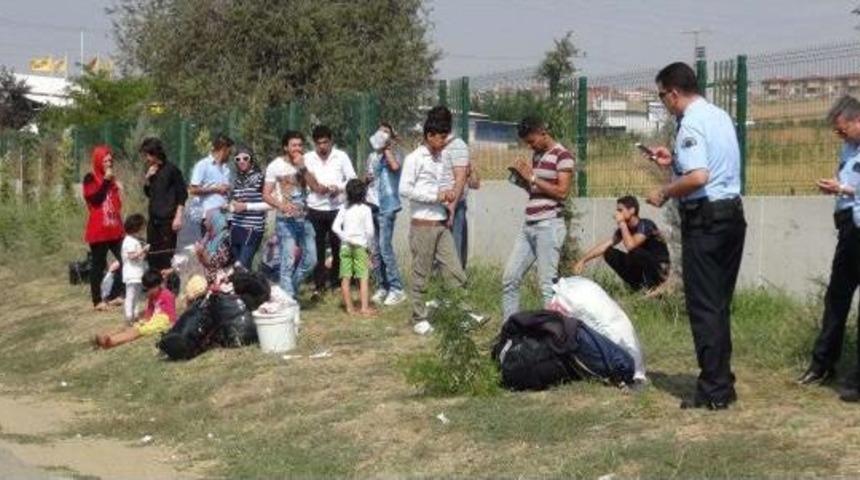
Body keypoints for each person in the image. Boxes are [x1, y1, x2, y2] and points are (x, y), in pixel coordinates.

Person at [642, 62, 746, 410]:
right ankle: (722, 383)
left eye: (662, 96)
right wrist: (673, 161)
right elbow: (710, 166)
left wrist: (665, 191)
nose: (664, 103)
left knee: (704, 307)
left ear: (673, 92)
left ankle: (713, 391)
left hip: (706, 222)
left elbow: (699, 176)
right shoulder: (718, 116)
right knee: (717, 305)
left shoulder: (691, 122)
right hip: (731, 216)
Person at [798, 95, 860, 402]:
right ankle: (822, 364)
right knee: (836, 298)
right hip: (849, 228)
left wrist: (844, 188)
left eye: (842, 129)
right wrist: (836, 186)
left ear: (856, 120)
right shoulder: (849, 148)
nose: (839, 135)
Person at [501, 116, 574, 323]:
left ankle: (555, 336)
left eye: (532, 141)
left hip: (549, 226)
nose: (530, 146)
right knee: (510, 279)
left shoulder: (563, 155)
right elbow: (535, 190)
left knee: (547, 287)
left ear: (543, 132)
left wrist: (533, 178)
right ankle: (510, 331)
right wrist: (521, 178)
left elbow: (562, 192)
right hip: (529, 225)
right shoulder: (537, 155)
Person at [400, 115, 467, 333]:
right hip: (422, 225)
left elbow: (449, 183)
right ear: (429, 136)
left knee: (454, 270)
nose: (444, 142)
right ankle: (418, 317)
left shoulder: (442, 158)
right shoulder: (414, 158)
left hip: (441, 223)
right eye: (441, 137)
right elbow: (405, 189)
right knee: (422, 272)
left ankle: (461, 312)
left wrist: (449, 199)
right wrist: (435, 196)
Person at [263, 131, 320, 299]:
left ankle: (290, 288)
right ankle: (288, 300)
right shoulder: (275, 165)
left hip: (305, 219)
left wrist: (302, 168)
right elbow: (266, 194)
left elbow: (315, 187)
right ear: (285, 147)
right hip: (285, 221)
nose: (297, 148)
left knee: (311, 259)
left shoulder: (306, 162)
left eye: (300, 145)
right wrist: (281, 205)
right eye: (294, 145)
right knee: (287, 262)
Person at [574, 195, 670, 291]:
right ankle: (638, 287)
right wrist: (583, 260)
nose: (617, 213)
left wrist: (622, 223)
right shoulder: (624, 229)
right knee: (609, 252)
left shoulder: (646, 225)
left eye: (620, 210)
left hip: (659, 267)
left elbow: (630, 246)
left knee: (634, 251)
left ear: (632, 210)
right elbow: (605, 245)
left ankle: (653, 287)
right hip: (643, 266)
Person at [304, 125, 357, 299]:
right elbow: (304, 179)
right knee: (317, 249)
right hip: (315, 208)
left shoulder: (341, 156)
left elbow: (352, 178)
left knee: (336, 247)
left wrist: (339, 188)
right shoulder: (308, 158)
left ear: (331, 141)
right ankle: (319, 285)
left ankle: (335, 282)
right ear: (314, 143)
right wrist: (315, 187)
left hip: (336, 208)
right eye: (319, 143)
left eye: (325, 142)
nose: (322, 147)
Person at [364, 122, 407, 306]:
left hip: (387, 205)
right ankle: (383, 286)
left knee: (385, 247)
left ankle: (397, 289)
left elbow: (396, 168)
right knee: (375, 249)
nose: (382, 134)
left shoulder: (395, 152)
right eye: (380, 130)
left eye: (386, 132)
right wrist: (366, 179)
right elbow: (367, 176)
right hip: (372, 204)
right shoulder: (372, 156)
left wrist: (387, 148)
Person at [427, 106, 472, 269]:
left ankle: (456, 288)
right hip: (434, 204)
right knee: (434, 252)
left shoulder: (458, 145)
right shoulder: (431, 146)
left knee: (454, 251)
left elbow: (460, 178)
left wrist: (452, 208)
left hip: (453, 206)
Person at [83, 145, 126, 311]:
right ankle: (97, 301)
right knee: (98, 265)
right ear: (98, 161)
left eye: (110, 160)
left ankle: (115, 295)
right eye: (105, 160)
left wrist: (116, 188)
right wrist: (107, 181)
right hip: (99, 230)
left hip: (114, 228)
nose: (109, 163)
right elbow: (95, 200)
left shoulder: (112, 179)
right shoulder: (90, 178)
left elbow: (117, 205)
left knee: (126, 259)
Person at [94, 270, 177, 349]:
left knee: (138, 331)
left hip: (163, 320)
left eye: (151, 288)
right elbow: (150, 310)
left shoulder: (167, 295)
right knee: (132, 326)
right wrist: (145, 320)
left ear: (159, 284)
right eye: (147, 289)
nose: (149, 291)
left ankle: (112, 341)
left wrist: (171, 325)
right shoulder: (152, 296)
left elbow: (171, 314)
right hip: (154, 319)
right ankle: (106, 336)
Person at [141, 137, 188, 274]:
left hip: (168, 221)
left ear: (155, 154)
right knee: (153, 256)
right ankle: (155, 289)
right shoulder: (151, 171)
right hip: (153, 221)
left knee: (167, 257)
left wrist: (178, 216)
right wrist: (148, 178)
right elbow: (149, 193)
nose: (146, 158)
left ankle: (169, 289)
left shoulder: (172, 170)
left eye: (147, 155)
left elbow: (182, 194)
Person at [332, 179, 376, 315]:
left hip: (345, 246)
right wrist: (370, 248)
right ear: (364, 193)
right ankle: (364, 308)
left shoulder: (343, 208)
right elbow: (370, 232)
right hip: (360, 246)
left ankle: (350, 309)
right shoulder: (366, 209)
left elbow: (335, 227)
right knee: (363, 277)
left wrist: (345, 238)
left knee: (346, 277)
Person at [227, 145, 266, 269]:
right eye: (237, 159)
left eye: (245, 158)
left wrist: (246, 206)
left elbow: (271, 204)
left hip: (252, 228)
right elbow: (234, 203)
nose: (241, 161)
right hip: (236, 227)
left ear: (251, 160)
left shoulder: (260, 178)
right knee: (239, 268)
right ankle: (247, 289)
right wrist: (231, 205)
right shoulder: (238, 180)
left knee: (241, 266)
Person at [188, 133, 234, 233]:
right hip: (210, 218)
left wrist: (228, 189)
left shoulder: (226, 169)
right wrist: (215, 189)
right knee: (211, 247)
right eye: (229, 151)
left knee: (224, 247)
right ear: (223, 149)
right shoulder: (203, 165)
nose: (230, 154)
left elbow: (225, 190)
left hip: (226, 216)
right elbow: (193, 189)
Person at [121, 214, 149, 324]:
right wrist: (143, 250)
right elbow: (132, 256)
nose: (142, 231)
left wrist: (145, 252)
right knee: (130, 295)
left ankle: (136, 314)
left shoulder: (135, 241)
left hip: (138, 273)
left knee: (137, 296)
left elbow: (140, 258)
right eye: (141, 228)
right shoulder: (128, 241)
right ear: (135, 228)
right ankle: (129, 317)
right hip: (131, 274)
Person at [194, 210, 233, 284]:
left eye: (207, 220)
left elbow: (214, 264)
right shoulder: (212, 236)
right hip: (208, 271)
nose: (204, 223)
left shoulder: (224, 240)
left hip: (219, 276)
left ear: (214, 222)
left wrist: (202, 252)